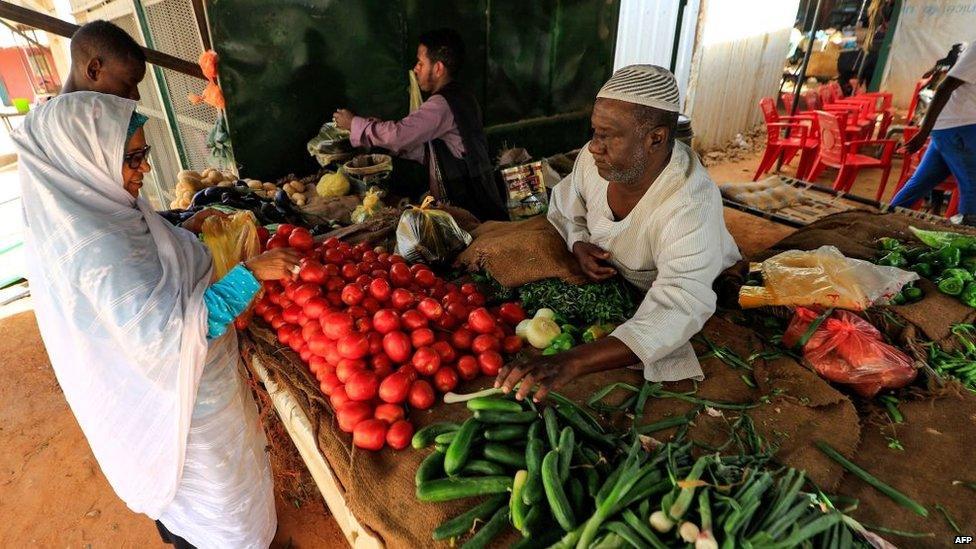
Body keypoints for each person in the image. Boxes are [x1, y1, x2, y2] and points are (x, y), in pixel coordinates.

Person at [12, 92, 302, 548]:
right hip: (182, 413)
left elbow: (151, 263)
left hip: (195, 397)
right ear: (89, 156)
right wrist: (250, 275)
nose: (144, 168)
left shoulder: (105, 209)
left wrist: (184, 231)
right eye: (132, 157)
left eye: (143, 154)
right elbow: (166, 339)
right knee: (219, 510)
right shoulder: (97, 249)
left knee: (221, 494)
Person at [495, 65, 741, 402]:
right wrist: (578, 241)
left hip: (688, 286)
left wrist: (573, 361)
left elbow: (679, 303)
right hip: (618, 280)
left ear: (656, 138)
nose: (594, 147)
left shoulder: (689, 204)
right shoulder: (593, 162)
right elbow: (569, 205)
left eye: (607, 135)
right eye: (594, 132)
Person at [333, 28, 508, 221]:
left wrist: (355, 124)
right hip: (477, 197)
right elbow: (432, 150)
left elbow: (399, 135)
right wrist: (381, 138)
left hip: (467, 206)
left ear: (438, 68)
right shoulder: (462, 96)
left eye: (420, 63)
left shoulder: (441, 105)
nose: (416, 69)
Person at [890, 41, 976, 225]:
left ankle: (884, 221)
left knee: (919, 184)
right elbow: (945, 87)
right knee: (972, 188)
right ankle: (963, 238)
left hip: (951, 128)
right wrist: (923, 133)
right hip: (960, 127)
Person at [61, 20, 146, 100]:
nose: (136, 96)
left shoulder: (53, 112)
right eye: (129, 83)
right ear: (94, 71)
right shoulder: (83, 115)